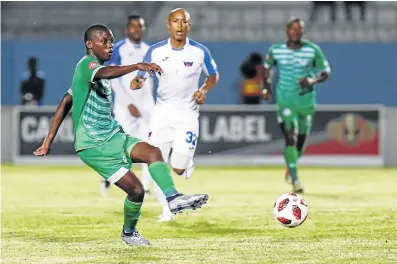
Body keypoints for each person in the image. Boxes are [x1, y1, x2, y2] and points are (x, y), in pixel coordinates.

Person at [33, 24, 209, 246]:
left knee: (153, 152)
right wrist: (137, 65)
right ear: (90, 44)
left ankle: (173, 199)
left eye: (111, 41)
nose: (109, 45)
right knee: (136, 190)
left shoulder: (88, 72)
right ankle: (129, 233)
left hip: (113, 135)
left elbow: (65, 102)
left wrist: (47, 141)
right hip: (94, 145)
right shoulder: (87, 65)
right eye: (104, 41)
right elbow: (104, 73)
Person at [131, 8, 219, 222]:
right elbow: (141, 75)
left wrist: (203, 90)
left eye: (184, 22)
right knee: (155, 160)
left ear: (189, 25)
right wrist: (138, 80)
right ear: (168, 25)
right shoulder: (155, 51)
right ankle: (167, 209)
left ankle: (186, 162)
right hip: (162, 112)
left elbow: (213, 75)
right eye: (175, 21)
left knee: (178, 168)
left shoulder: (199, 52)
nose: (180, 25)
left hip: (187, 114)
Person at [261, 18, 331, 193]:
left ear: (303, 32)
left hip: (306, 101)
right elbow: (266, 68)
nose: (296, 32)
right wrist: (266, 88)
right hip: (285, 99)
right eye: (292, 29)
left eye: (299, 29)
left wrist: (312, 80)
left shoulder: (313, 50)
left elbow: (326, 72)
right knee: (290, 137)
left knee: (301, 140)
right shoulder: (276, 50)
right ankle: (296, 179)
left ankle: (291, 164)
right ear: (287, 31)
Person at [101, 15, 154, 198]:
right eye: (133, 26)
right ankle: (109, 177)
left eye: (140, 26)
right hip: (125, 107)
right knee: (121, 147)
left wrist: (150, 106)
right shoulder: (118, 49)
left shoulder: (149, 50)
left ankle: (145, 187)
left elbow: (150, 82)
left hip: (146, 107)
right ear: (127, 29)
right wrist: (128, 103)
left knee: (150, 145)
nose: (136, 30)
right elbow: (113, 79)